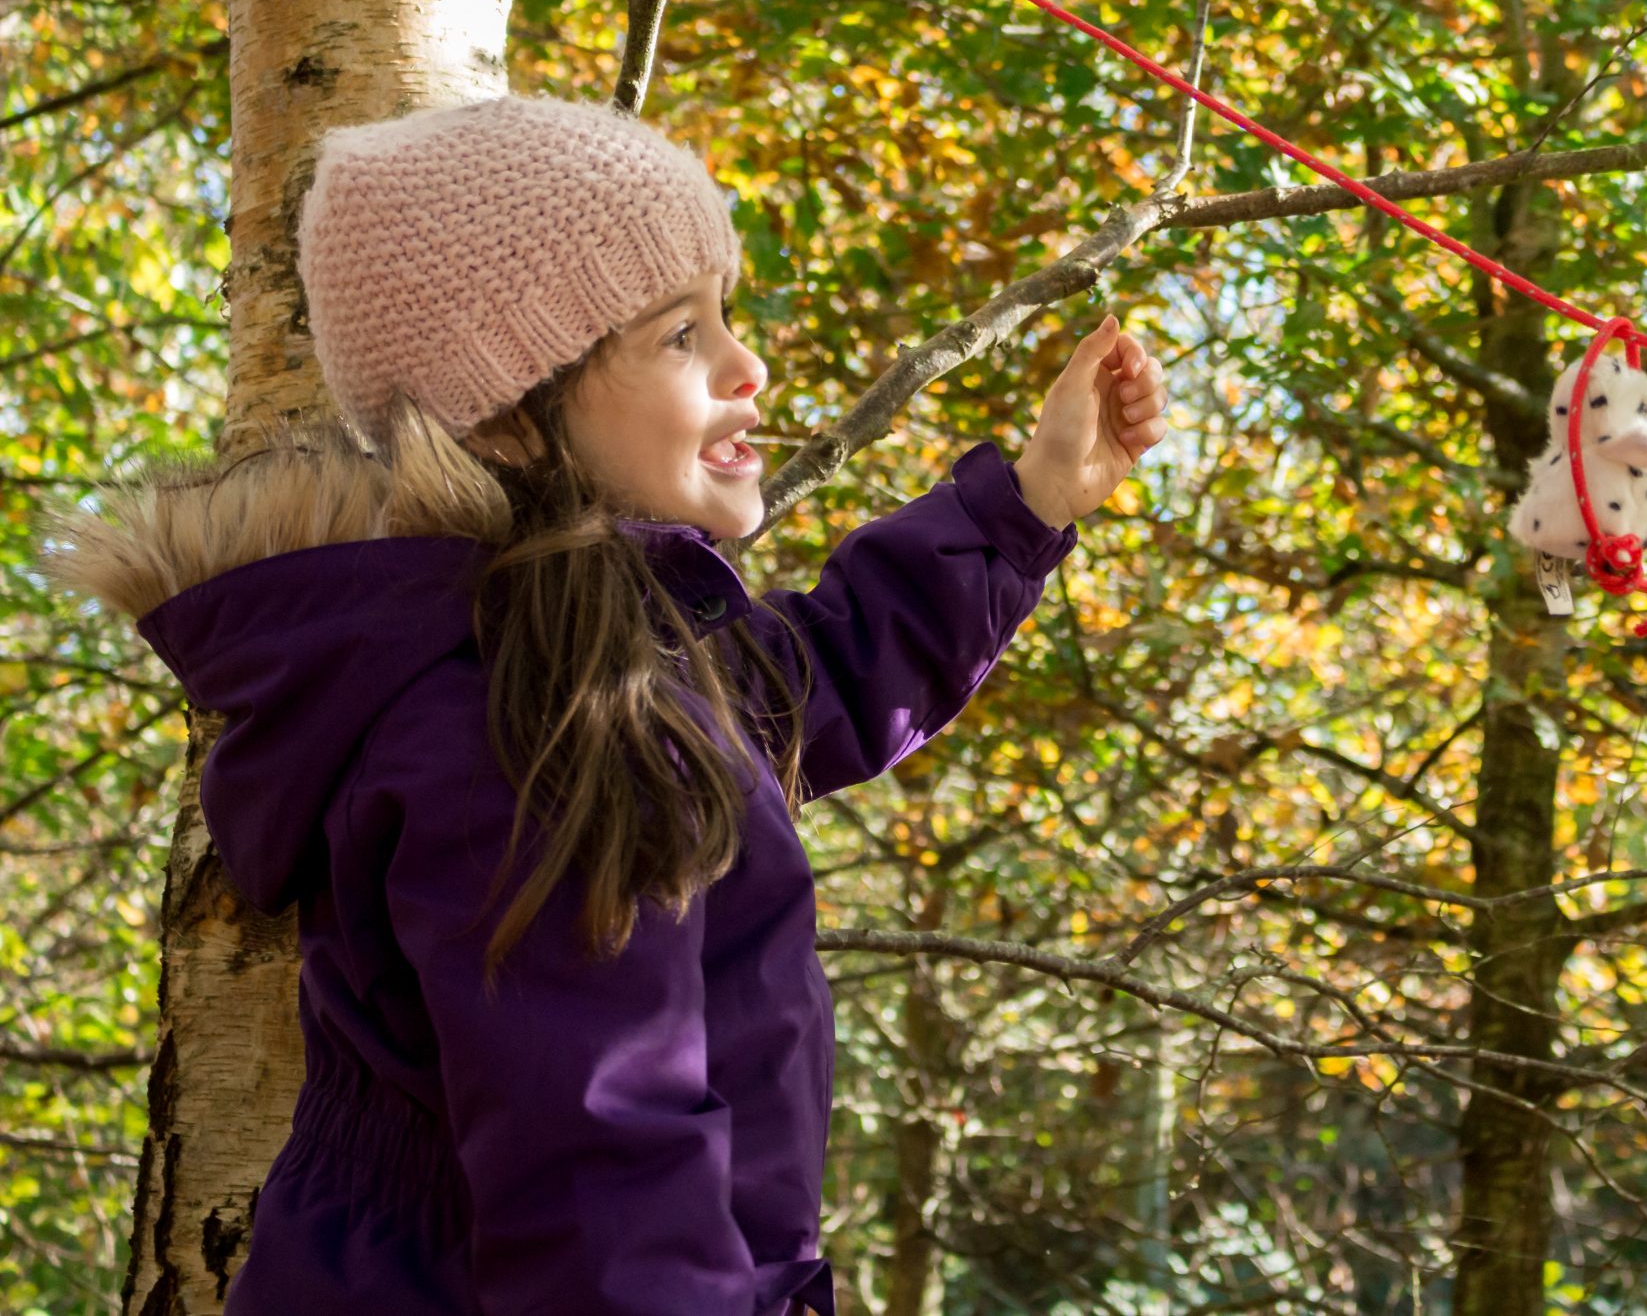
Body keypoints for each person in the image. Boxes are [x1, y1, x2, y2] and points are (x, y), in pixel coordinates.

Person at [40, 93, 1172, 1316]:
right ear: (515, 415)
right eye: (681, 336)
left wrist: (1029, 503)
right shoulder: (521, 727)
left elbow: (824, 672)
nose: (750, 366)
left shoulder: (605, 652)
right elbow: (603, 1180)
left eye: (725, 314)